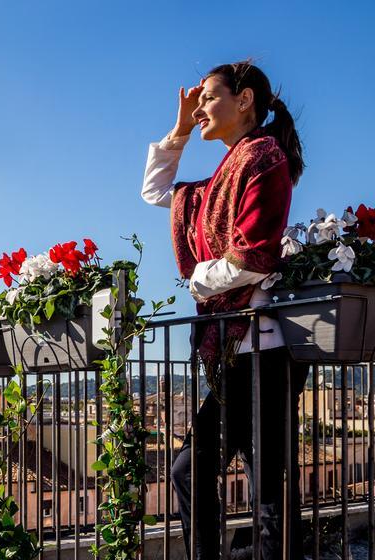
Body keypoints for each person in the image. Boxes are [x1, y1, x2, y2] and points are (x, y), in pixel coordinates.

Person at [141, 61, 307, 560]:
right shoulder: (220, 177)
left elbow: (254, 256)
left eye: (209, 97)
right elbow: (154, 192)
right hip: (239, 351)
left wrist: (197, 280)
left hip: (266, 352)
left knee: (264, 488)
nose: (200, 106)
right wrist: (180, 130)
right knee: (214, 474)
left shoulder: (263, 157)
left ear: (245, 100)